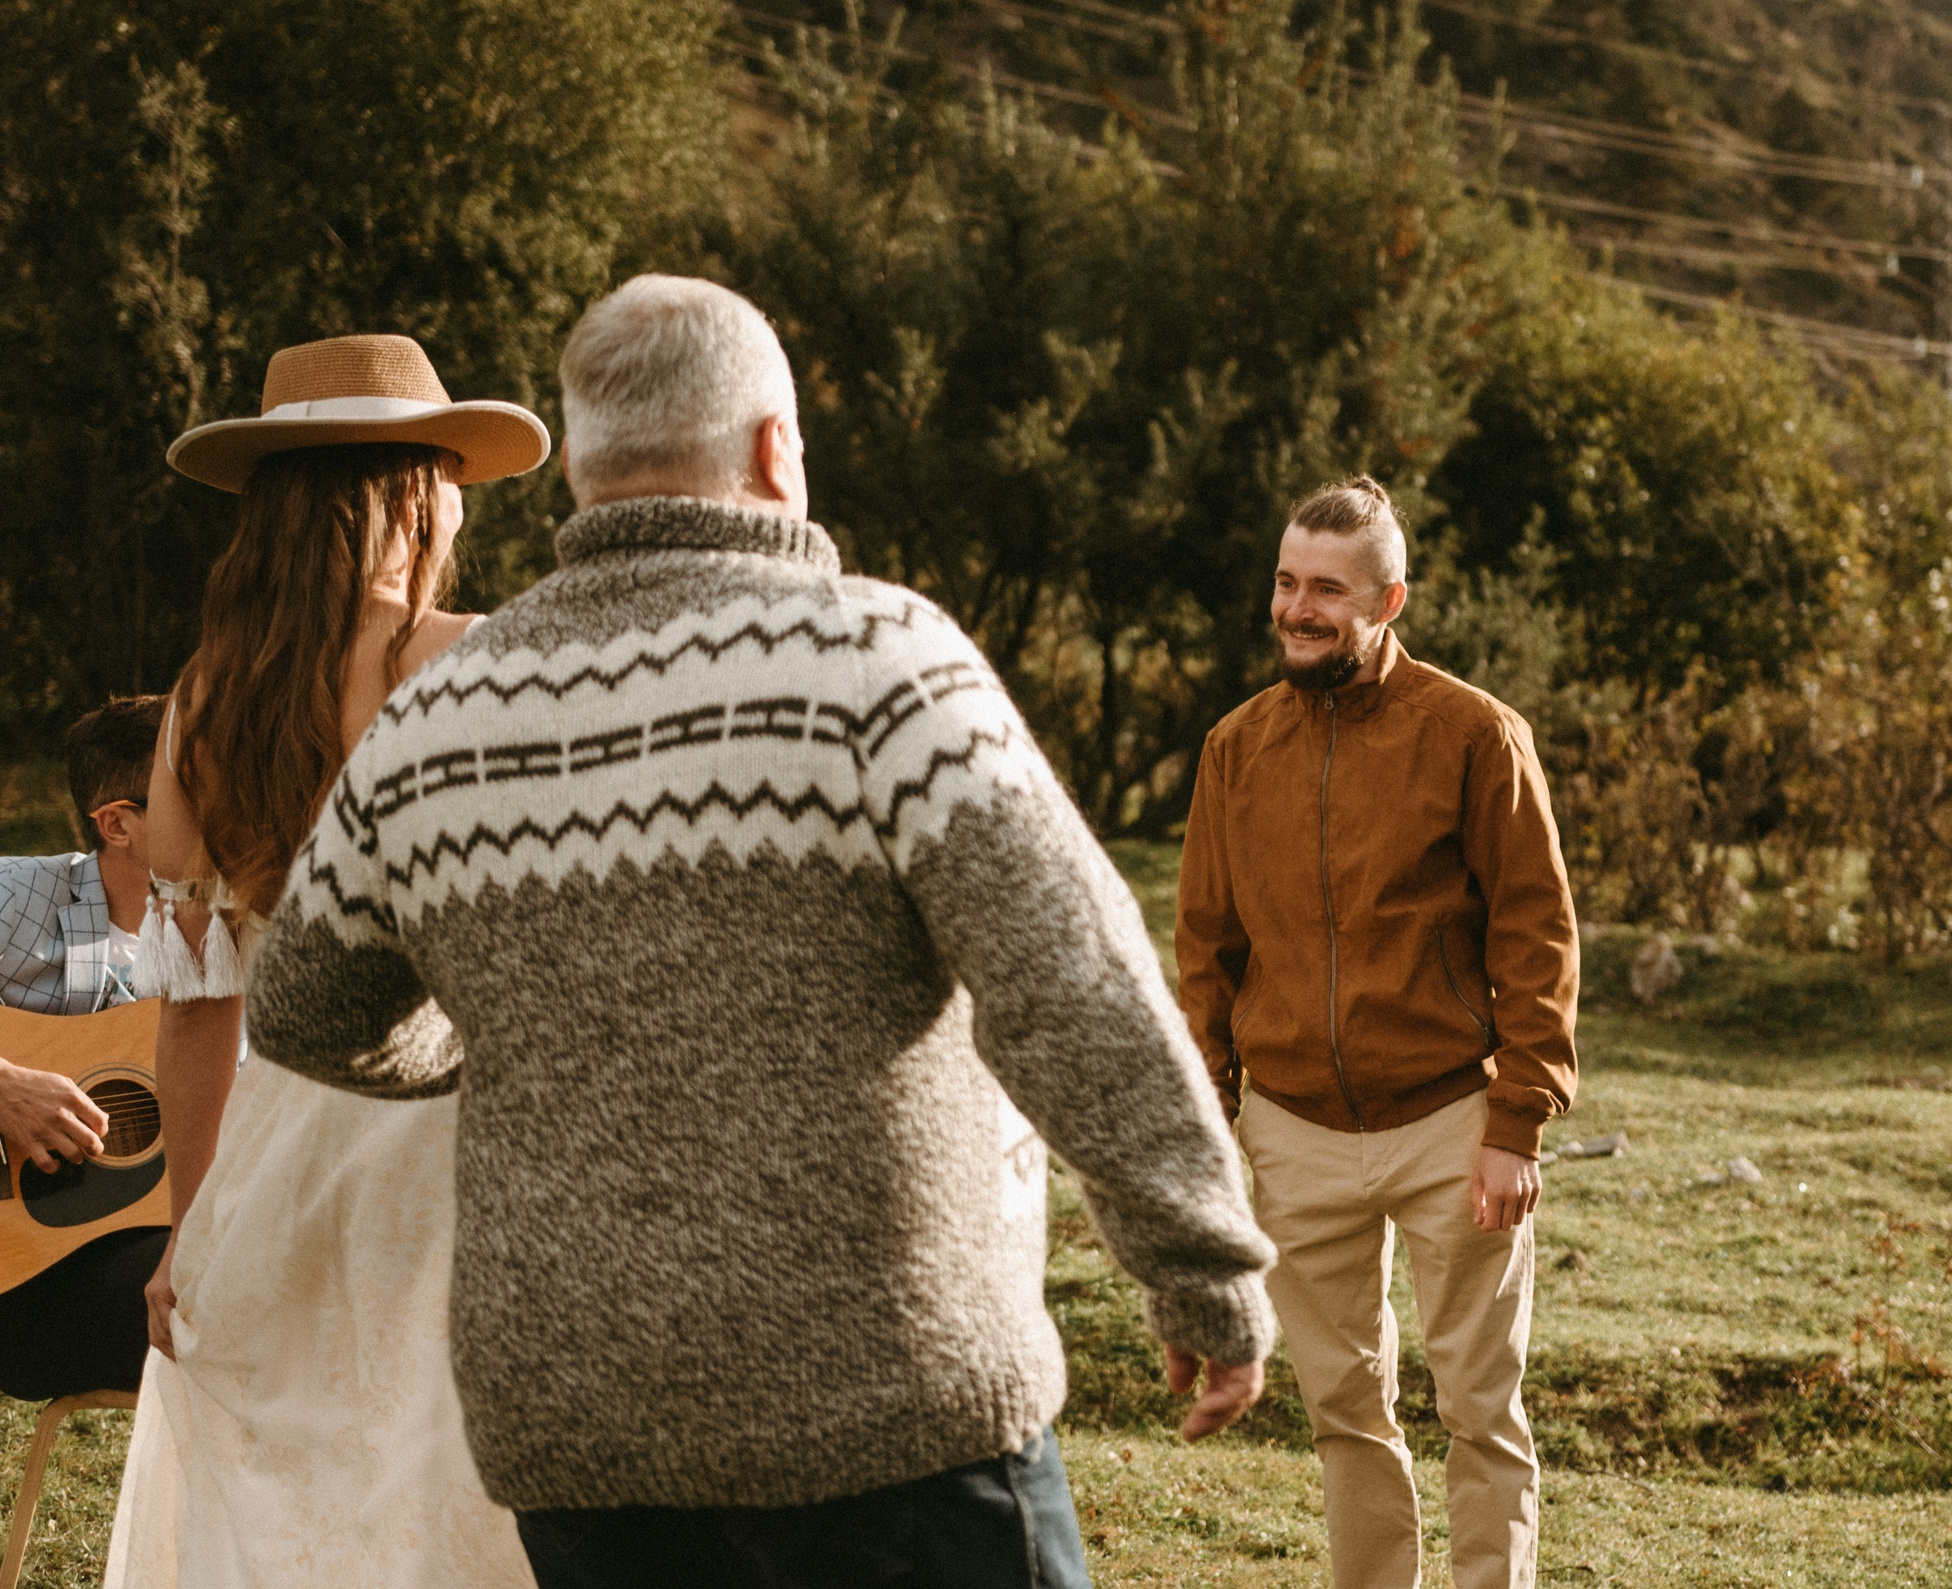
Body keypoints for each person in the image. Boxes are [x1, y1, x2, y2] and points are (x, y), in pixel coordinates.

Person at [242, 274, 1277, 1589]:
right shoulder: (882, 664)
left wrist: (509, 1029)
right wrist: (1201, 1269)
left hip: (579, 1420)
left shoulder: (439, 721)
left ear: (587, 467)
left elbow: (304, 1008)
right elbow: (1070, 982)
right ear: (775, 450)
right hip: (892, 1408)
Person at [104, 333, 553, 1588]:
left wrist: (189, 1232)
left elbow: (198, 1011)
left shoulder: (204, 699)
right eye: (448, 470)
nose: (460, 499)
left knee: (288, 1507)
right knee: (448, 1497)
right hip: (449, 1146)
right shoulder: (479, 660)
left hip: (269, 1155)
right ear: (408, 490)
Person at [1176, 476, 1580, 1589]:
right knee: (1344, 1410)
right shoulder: (1233, 748)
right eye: (1286, 581)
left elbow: (1537, 931)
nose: (1299, 608)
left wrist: (1516, 1118)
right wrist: (1212, 1110)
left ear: (1389, 599)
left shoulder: (1475, 734)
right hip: (1291, 1129)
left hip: (1452, 1120)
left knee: (1479, 1407)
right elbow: (1205, 946)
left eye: (1329, 590)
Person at [0, 695, 170, 1402]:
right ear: (118, 823)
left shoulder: (236, 938)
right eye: (201, 791)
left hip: (129, 1256)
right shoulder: (18, 896)